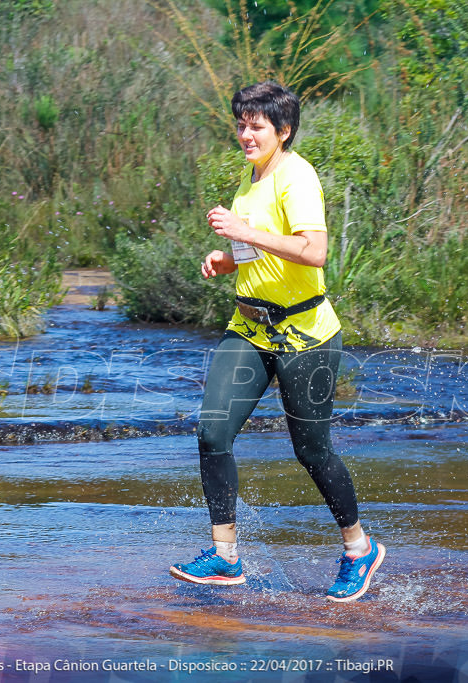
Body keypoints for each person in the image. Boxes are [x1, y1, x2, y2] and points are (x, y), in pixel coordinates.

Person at [169, 81, 384, 602]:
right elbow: (260, 247)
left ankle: (359, 549)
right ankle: (225, 555)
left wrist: (243, 232)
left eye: (256, 125)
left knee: (311, 450)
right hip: (250, 328)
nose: (245, 133)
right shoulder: (252, 179)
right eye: (241, 123)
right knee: (212, 431)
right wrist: (227, 258)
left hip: (305, 334)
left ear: (282, 131)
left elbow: (314, 253)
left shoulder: (297, 175)